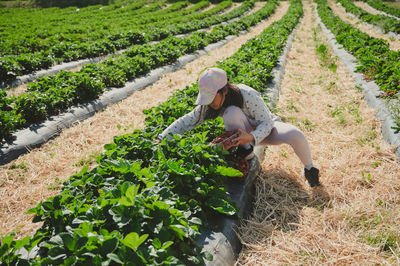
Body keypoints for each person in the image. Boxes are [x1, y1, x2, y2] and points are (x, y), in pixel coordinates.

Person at [157, 67, 320, 187]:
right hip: (243, 137)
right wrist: (162, 137)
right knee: (231, 113)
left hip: (263, 130)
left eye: (213, 97)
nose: (210, 102)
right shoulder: (209, 105)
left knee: (295, 134)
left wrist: (251, 136)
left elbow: (267, 123)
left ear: (225, 90)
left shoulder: (246, 94)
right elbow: (187, 120)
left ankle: (310, 169)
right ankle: (246, 153)